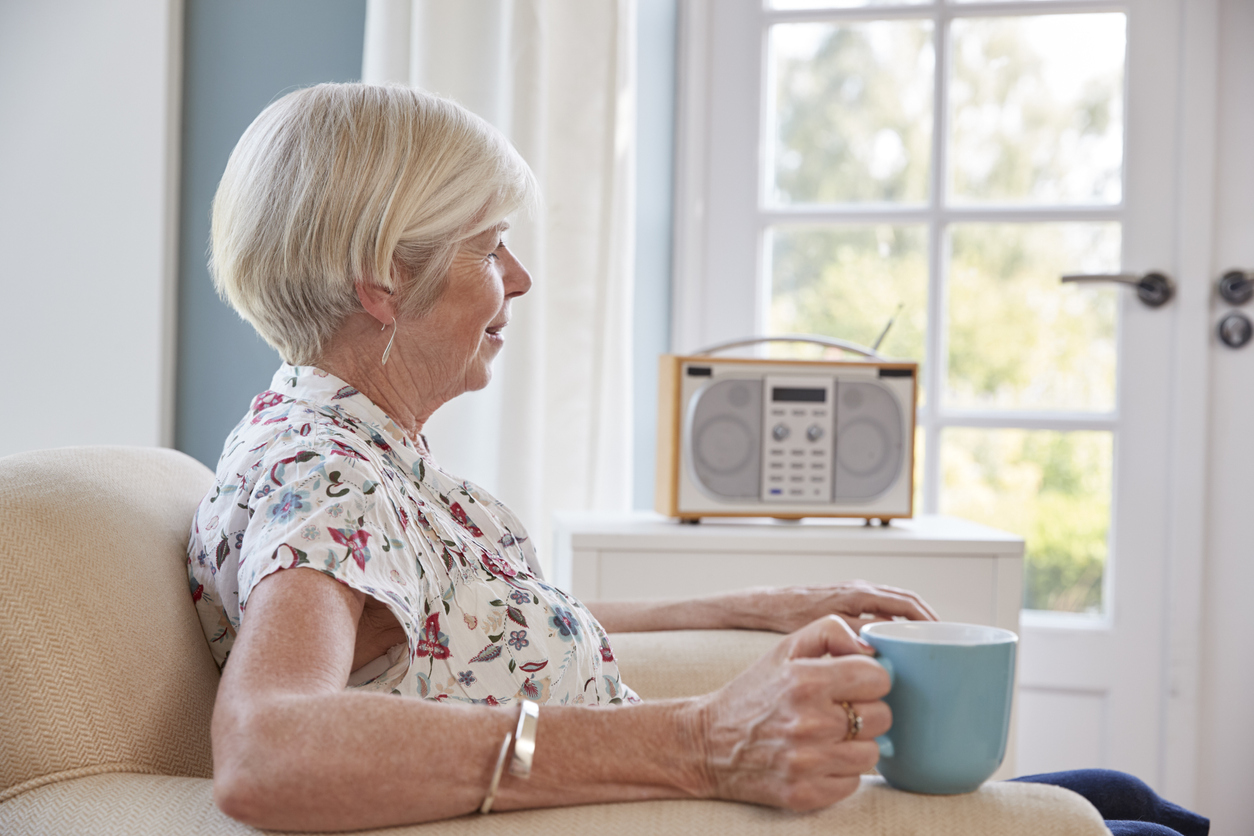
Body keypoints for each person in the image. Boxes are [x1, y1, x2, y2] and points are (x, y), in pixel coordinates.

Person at [188, 83, 1208, 836]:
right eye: (488, 246)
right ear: (382, 280)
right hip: (653, 809)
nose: (522, 276)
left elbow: (469, 631)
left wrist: (755, 601)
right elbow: (270, 744)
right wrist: (706, 738)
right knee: (1126, 825)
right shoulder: (320, 475)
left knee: (1119, 799)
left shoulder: (369, 460)